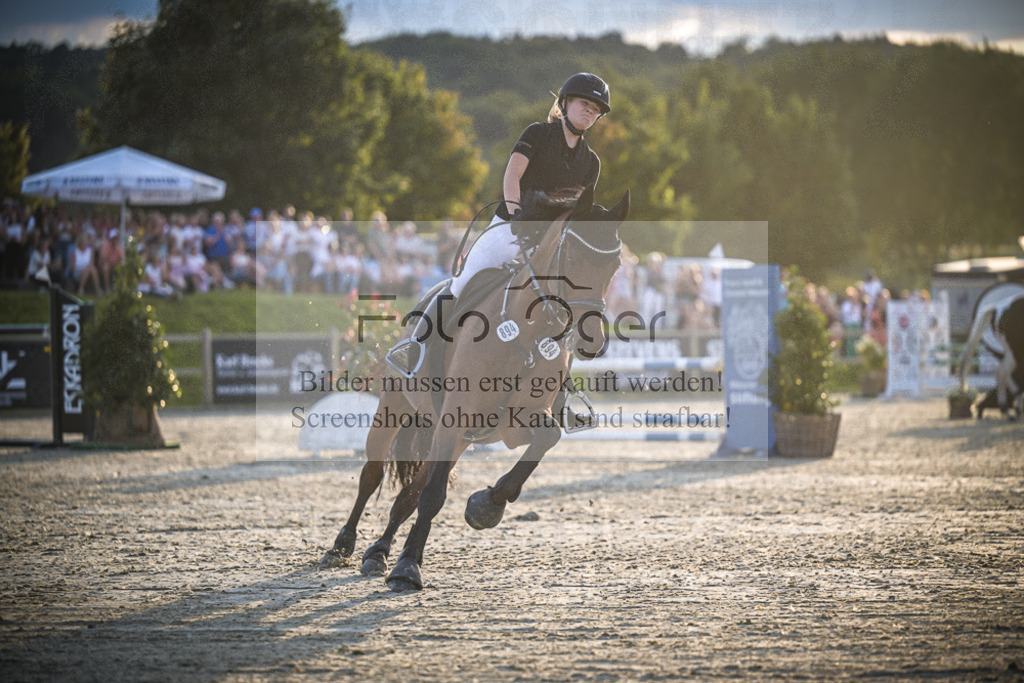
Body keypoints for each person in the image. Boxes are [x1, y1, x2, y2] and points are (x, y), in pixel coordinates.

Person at [387, 72, 612, 377]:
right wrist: (517, 215)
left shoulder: (592, 162)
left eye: (596, 109)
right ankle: (416, 348)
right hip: (510, 228)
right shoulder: (538, 134)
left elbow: (578, 212)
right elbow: (512, 176)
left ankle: (560, 389)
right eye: (585, 103)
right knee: (462, 282)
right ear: (565, 102)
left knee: (566, 303)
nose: (590, 111)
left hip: (548, 244)